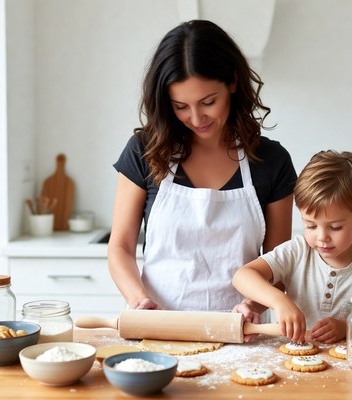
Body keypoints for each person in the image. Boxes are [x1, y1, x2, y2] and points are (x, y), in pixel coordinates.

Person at [108, 20, 297, 322]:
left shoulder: (271, 161)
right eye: (180, 106)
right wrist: (138, 299)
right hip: (159, 326)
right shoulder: (144, 151)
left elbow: (281, 263)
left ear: (233, 82)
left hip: (241, 333)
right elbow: (120, 247)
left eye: (208, 102)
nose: (196, 118)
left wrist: (253, 306)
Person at [233, 150, 352, 344]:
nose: (322, 238)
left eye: (335, 227)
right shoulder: (297, 252)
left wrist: (348, 327)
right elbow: (242, 276)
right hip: (293, 360)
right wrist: (275, 301)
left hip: (351, 366)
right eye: (310, 225)